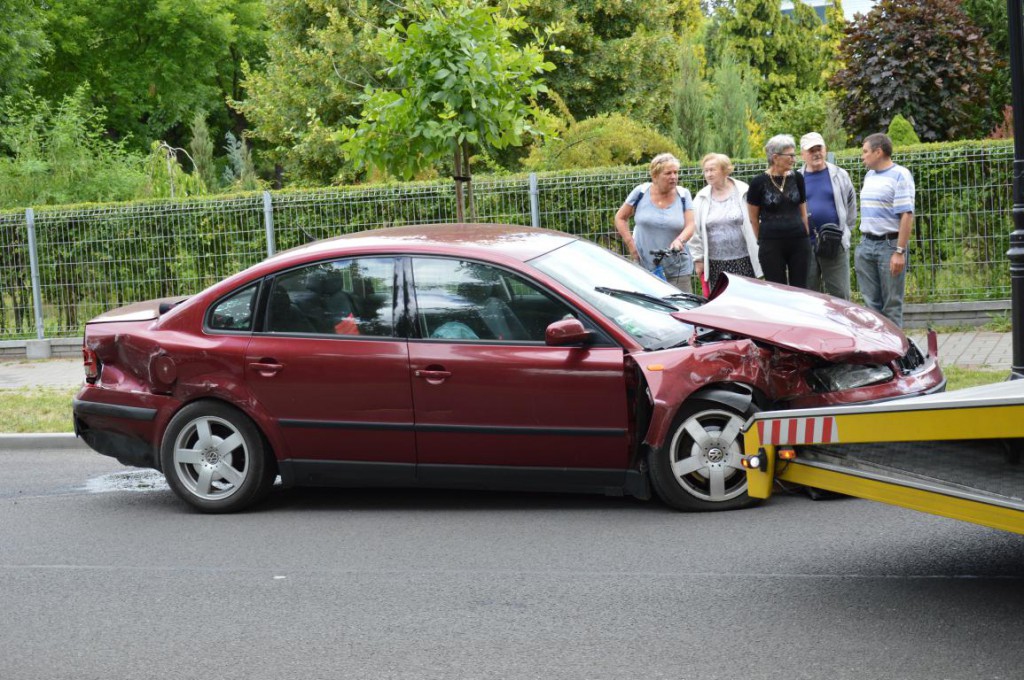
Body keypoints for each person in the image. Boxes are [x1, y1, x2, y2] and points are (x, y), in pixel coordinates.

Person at [855, 132, 915, 327]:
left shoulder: (900, 175)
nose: (862, 156)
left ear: (878, 152)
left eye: (865, 151)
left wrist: (899, 251)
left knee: (891, 306)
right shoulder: (869, 175)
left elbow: (906, 215)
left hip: (889, 247)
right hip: (866, 244)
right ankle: (878, 355)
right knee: (871, 308)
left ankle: (895, 355)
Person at [614, 153, 696, 292]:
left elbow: (691, 225)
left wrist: (680, 241)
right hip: (645, 265)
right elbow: (620, 217)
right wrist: (630, 244)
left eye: (676, 172)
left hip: (677, 269)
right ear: (655, 176)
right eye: (668, 173)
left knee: (681, 309)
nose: (673, 177)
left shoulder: (683, 194)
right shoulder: (641, 192)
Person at [690, 153, 762, 294]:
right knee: (721, 303)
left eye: (712, 169)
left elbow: (755, 220)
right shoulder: (701, 198)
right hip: (715, 263)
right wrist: (698, 259)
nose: (709, 174)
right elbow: (695, 231)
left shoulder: (743, 191)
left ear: (725, 170)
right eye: (706, 170)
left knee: (746, 299)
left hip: (743, 259)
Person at [746, 134, 811, 289]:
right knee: (777, 290)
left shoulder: (798, 178)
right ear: (775, 157)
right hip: (771, 244)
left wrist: (805, 235)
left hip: (799, 242)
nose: (794, 159)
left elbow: (803, 210)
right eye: (790, 155)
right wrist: (762, 240)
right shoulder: (758, 183)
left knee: (800, 288)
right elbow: (753, 219)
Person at [797, 132, 857, 299]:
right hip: (805, 246)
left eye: (819, 148)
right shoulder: (796, 178)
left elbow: (851, 206)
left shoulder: (840, 175)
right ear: (802, 154)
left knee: (841, 295)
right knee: (808, 296)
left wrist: (844, 231)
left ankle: (843, 326)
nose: (816, 153)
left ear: (825, 149)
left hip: (835, 243)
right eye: (811, 150)